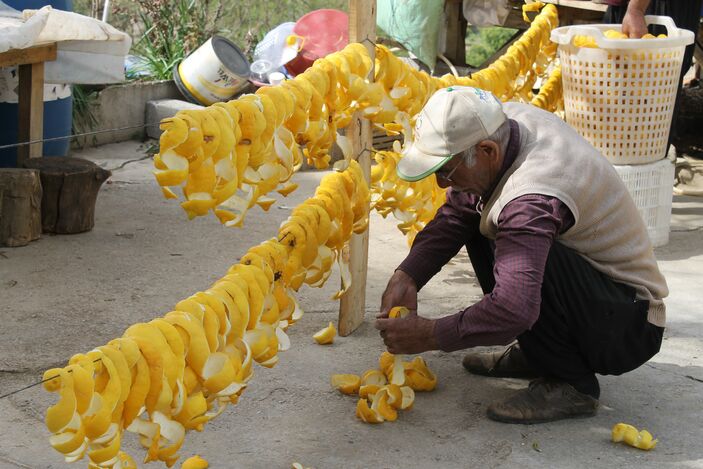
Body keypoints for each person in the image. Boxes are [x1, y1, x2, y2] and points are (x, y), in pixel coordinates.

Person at [375, 86, 668, 424]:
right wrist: (407, 274)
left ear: (486, 150)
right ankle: (542, 352)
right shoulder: (501, 124)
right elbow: (460, 211)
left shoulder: (531, 198)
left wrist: (428, 335)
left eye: (447, 170)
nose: (442, 183)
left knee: (512, 248)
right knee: (484, 219)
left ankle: (571, 382)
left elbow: (514, 308)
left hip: (628, 322)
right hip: (600, 300)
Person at [604, 0, 703, 154]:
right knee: (618, 98)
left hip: (651, 8)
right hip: (631, 7)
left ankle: (640, 164)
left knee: (650, 97)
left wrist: (636, 9)